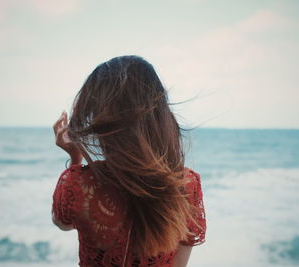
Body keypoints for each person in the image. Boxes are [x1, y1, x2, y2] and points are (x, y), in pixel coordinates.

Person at [52, 55, 206, 267]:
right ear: (159, 114)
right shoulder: (185, 185)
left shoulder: (78, 183)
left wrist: (75, 158)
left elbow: (63, 223)